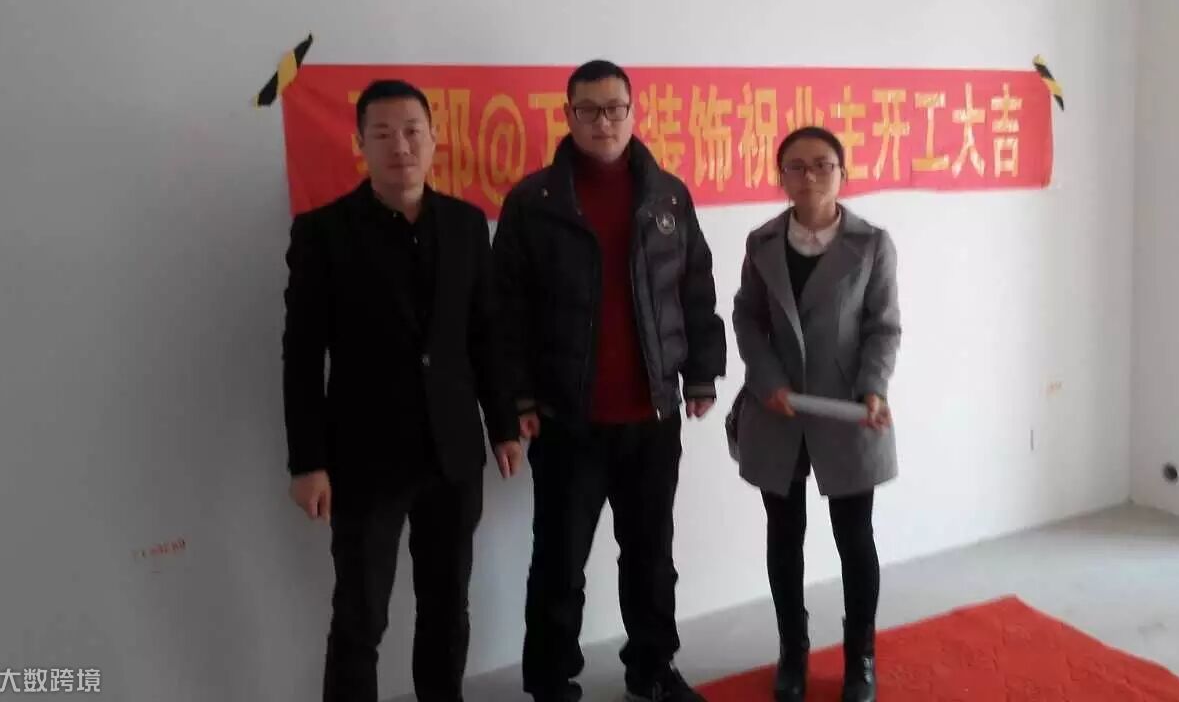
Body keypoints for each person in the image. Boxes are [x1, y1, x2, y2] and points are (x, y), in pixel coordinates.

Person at [281, 79, 525, 702]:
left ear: (435, 138)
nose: (401, 146)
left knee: (447, 605)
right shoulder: (324, 233)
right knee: (360, 617)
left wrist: (503, 425)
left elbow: (486, 334)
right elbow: (302, 356)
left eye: (413, 131)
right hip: (365, 456)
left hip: (453, 452)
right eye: (383, 134)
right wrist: (308, 462)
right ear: (360, 143)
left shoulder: (466, 225)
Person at [493, 59, 728, 702]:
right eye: (589, 109)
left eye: (614, 108)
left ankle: (652, 669)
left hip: (651, 416)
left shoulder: (668, 196)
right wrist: (517, 397)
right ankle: (550, 682)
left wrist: (702, 373)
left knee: (651, 557)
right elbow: (505, 312)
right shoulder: (534, 202)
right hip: (567, 418)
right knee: (560, 563)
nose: (603, 121)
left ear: (632, 111)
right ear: (568, 115)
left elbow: (696, 289)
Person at [728, 126, 900, 702]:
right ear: (781, 177)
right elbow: (748, 319)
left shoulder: (872, 244)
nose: (810, 176)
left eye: (823, 164)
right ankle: (793, 653)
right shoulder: (761, 243)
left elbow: (883, 327)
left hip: (845, 410)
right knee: (785, 537)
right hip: (778, 411)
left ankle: (860, 659)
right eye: (796, 166)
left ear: (842, 174)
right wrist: (768, 381)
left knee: (855, 538)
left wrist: (873, 389)